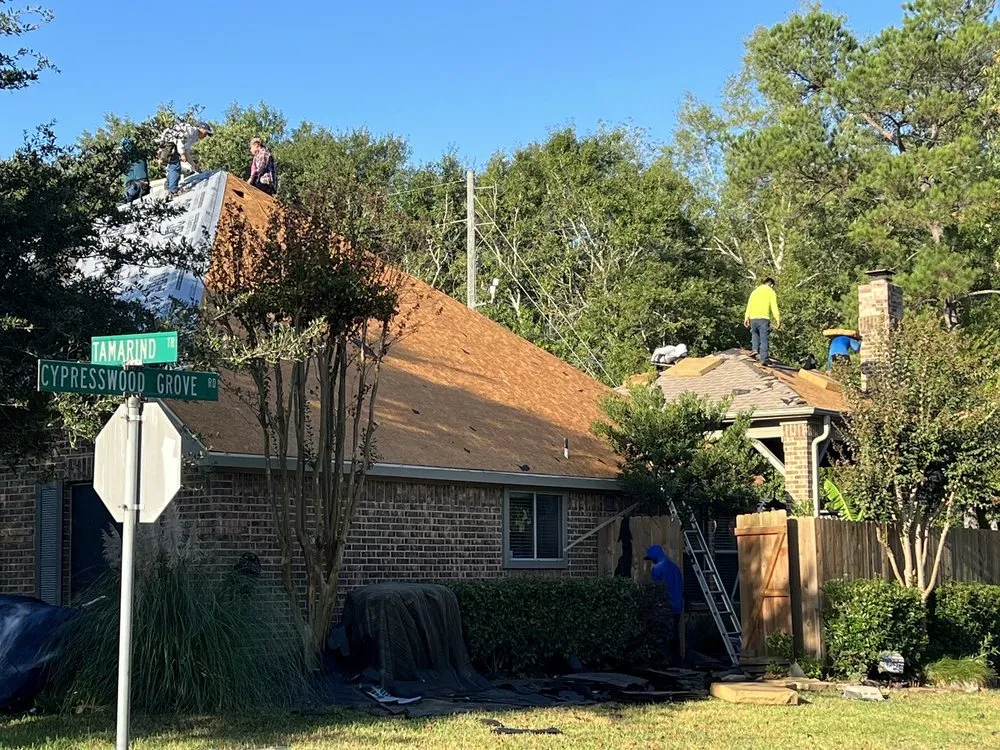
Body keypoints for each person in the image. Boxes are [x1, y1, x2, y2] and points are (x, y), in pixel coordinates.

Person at [645, 544, 684, 663]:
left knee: (663, 634)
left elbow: (657, 590)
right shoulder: (675, 567)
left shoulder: (657, 569)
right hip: (678, 605)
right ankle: (676, 660)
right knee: (674, 632)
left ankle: (664, 660)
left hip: (666, 607)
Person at [157, 121, 213, 196]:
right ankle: (173, 190)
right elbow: (180, 140)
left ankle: (168, 186)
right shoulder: (192, 131)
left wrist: (194, 165)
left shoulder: (194, 138)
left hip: (171, 144)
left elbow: (186, 152)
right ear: (201, 128)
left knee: (173, 165)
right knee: (175, 167)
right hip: (170, 143)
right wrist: (182, 154)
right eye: (206, 133)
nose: (205, 136)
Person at [743, 277, 781, 365]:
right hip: (763, 318)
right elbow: (774, 307)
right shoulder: (771, 292)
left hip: (753, 318)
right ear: (771, 284)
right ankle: (764, 358)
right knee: (764, 338)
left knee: (755, 334)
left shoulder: (755, 291)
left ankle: (754, 350)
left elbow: (749, 305)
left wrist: (746, 318)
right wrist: (777, 319)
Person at [120, 136, 149, 203]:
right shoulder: (141, 153)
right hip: (144, 183)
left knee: (124, 205)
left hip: (133, 185)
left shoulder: (126, 157)